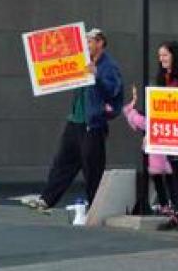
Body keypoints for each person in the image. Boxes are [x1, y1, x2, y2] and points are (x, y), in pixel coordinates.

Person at [27, 28, 124, 211]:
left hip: (92, 124)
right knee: (62, 162)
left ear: (100, 42)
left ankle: (96, 206)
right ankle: (47, 199)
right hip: (75, 120)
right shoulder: (82, 60)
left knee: (92, 168)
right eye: (85, 40)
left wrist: (97, 76)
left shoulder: (108, 66)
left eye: (89, 41)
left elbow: (113, 91)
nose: (86, 44)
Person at [154, 41, 178, 232]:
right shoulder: (163, 77)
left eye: (165, 55)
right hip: (174, 136)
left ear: (174, 55)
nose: (161, 59)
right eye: (160, 56)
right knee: (177, 176)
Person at [123, 85, 174, 214]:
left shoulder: (147, 119)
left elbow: (132, 116)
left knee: (159, 181)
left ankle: (165, 206)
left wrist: (131, 108)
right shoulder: (166, 116)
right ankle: (172, 204)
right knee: (171, 179)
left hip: (153, 153)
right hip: (167, 151)